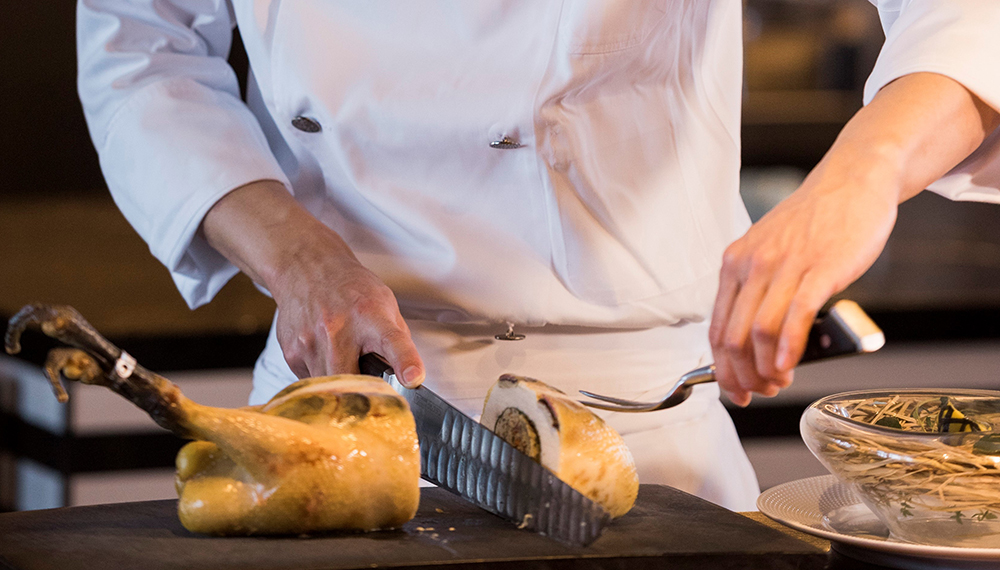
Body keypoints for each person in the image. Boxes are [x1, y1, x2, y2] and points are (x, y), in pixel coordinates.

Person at [77, 1, 999, 511]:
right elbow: (139, 46)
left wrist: (861, 174)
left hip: (637, 430)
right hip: (334, 393)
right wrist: (293, 254)